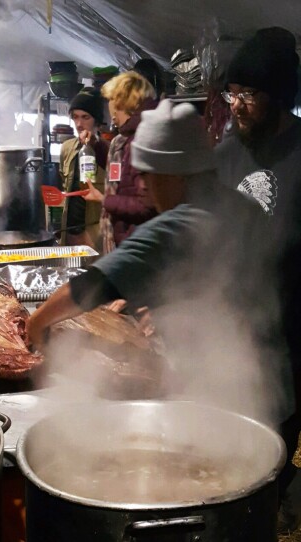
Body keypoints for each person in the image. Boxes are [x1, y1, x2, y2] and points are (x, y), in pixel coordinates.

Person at [27, 99, 295, 526]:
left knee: (209, 505)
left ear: (175, 174)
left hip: (228, 398)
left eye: (149, 176)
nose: (146, 188)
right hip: (274, 389)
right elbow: (219, 283)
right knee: (252, 500)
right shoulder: (238, 205)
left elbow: (88, 287)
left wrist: (37, 321)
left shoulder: (179, 223)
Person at [214, 27, 301, 525]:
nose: (237, 106)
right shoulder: (227, 152)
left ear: (279, 94)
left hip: (292, 316)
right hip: (235, 311)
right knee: (239, 407)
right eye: (232, 93)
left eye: (248, 94)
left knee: (284, 417)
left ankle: (276, 494)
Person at [84, 71, 158, 253]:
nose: (112, 115)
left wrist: (104, 199)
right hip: (129, 241)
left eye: (112, 102)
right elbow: (122, 174)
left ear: (124, 102)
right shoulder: (126, 138)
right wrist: (96, 145)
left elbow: (146, 206)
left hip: (138, 246)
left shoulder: (143, 140)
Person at [57, 88, 109, 249]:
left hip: (96, 232)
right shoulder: (67, 148)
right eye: (75, 117)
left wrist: (94, 144)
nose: (79, 124)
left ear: (97, 120)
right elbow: (64, 184)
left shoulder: (109, 150)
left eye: (85, 117)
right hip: (69, 231)